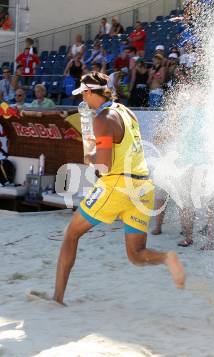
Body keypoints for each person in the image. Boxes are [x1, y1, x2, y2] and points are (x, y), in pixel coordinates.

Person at [53, 72, 185, 305]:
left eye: (83, 92)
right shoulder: (127, 112)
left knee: (71, 235)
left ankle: (57, 298)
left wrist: (90, 156)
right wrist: (98, 148)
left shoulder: (102, 119)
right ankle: (167, 257)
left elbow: (104, 165)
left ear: (91, 92)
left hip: (118, 185)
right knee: (136, 254)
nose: (82, 97)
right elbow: (122, 148)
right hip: (143, 185)